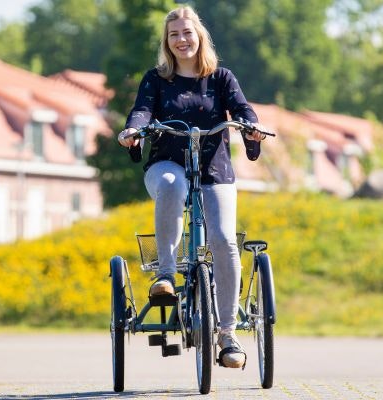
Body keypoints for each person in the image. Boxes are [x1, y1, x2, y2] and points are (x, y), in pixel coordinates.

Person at [118, 5, 271, 369]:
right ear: (166, 42)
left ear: (199, 36)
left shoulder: (221, 77)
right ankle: (167, 275)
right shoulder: (157, 79)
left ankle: (228, 335)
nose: (181, 40)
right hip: (167, 161)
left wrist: (250, 126)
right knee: (171, 186)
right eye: (174, 35)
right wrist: (132, 130)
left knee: (222, 239)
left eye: (187, 33)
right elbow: (142, 111)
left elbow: (242, 108)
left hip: (215, 169)